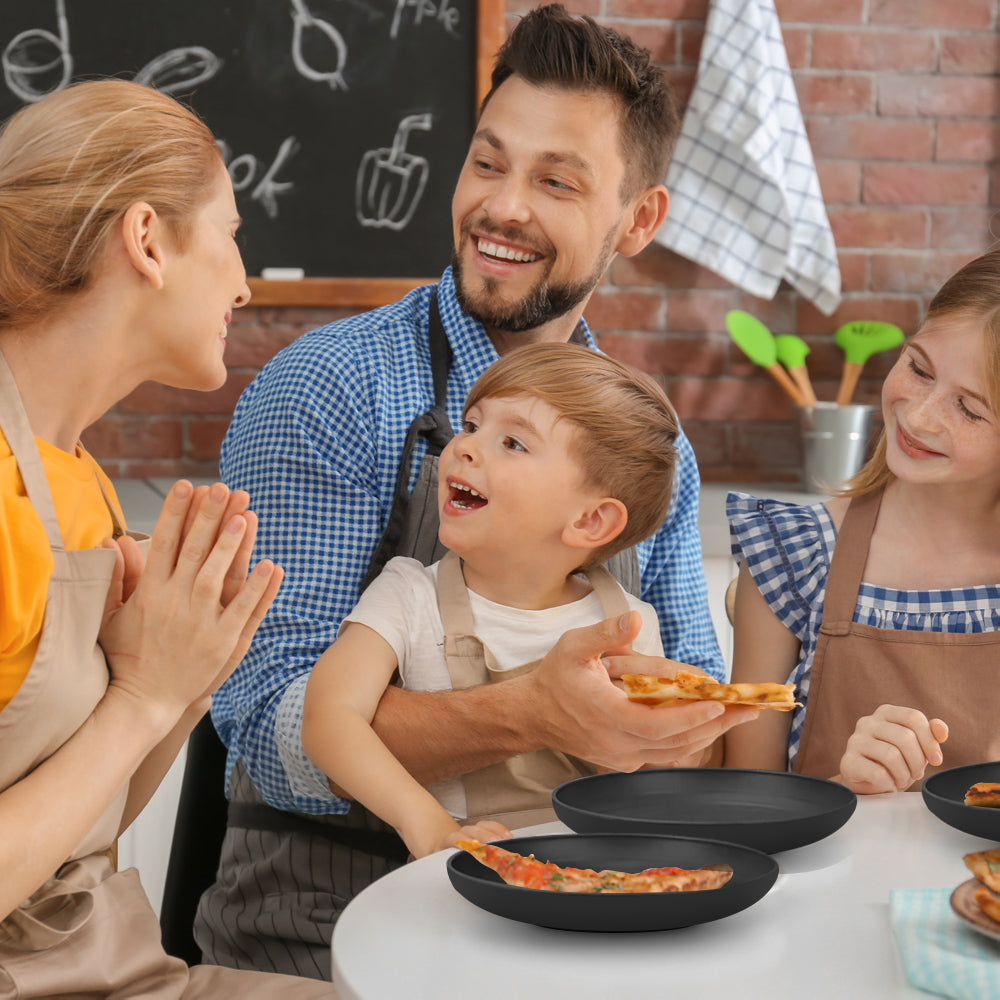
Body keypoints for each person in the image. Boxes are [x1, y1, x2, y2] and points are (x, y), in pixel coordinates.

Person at [198, 5, 754, 978]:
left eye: (555, 181)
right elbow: (269, 729)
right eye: (488, 163)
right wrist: (533, 711)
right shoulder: (328, 391)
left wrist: (683, 731)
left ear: (639, 219)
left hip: (573, 921)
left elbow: (695, 738)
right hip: (320, 929)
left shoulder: (651, 446)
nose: (502, 208)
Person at [0, 80, 334, 998]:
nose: (243, 280)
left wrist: (191, 676)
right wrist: (144, 697)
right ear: (147, 240)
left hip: (99, 963)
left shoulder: (77, 477)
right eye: (230, 234)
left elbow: (82, 830)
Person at [300, 342, 693, 859]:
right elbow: (327, 716)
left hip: (597, 875)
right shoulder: (408, 594)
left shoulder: (628, 622)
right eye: (471, 424)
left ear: (590, 521)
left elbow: (636, 778)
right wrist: (427, 824)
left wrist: (663, 735)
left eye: (512, 443)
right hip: (457, 876)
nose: (464, 446)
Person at [723, 247, 1000, 794]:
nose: (919, 416)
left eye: (968, 408)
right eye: (919, 368)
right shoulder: (791, 553)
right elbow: (746, 805)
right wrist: (846, 788)